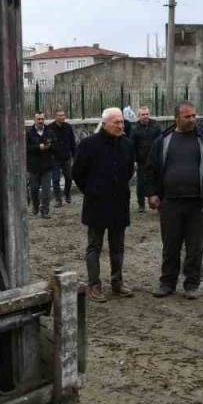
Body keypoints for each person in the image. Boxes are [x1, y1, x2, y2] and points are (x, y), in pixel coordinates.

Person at [143, 102, 203, 299]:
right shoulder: (163, 140)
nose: (192, 120)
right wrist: (152, 193)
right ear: (177, 118)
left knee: (195, 246)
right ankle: (167, 283)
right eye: (188, 117)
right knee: (170, 245)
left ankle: (191, 284)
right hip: (170, 203)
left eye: (194, 116)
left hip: (198, 204)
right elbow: (150, 170)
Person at [73, 107, 135, 302]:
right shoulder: (88, 145)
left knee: (118, 247)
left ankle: (117, 282)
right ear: (105, 123)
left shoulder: (127, 144)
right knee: (94, 247)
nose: (120, 125)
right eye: (116, 122)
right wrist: (92, 190)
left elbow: (129, 170)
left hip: (119, 202)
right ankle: (94, 285)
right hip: (96, 203)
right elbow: (78, 173)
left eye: (122, 122)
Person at [128, 106, 162, 212]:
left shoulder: (156, 126)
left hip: (156, 159)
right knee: (141, 183)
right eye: (143, 114)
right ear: (139, 116)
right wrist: (133, 161)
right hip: (142, 161)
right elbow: (131, 146)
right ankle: (141, 205)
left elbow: (161, 141)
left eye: (147, 114)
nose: (145, 116)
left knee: (158, 182)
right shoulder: (134, 129)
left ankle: (158, 204)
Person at [26, 112, 55, 218]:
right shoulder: (29, 133)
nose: (40, 121)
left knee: (46, 191)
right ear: (34, 120)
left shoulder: (49, 132)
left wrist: (50, 146)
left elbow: (55, 145)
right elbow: (26, 148)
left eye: (42, 119)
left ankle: (45, 211)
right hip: (34, 167)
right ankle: (36, 206)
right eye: (38, 119)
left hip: (47, 166)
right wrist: (39, 147)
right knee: (33, 190)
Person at [47, 109, 77, 206]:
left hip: (66, 158)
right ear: (55, 117)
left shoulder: (68, 127)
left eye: (63, 115)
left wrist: (74, 155)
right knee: (55, 180)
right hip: (54, 158)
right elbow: (47, 142)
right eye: (60, 115)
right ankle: (58, 199)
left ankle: (67, 193)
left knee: (69, 178)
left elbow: (72, 142)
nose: (62, 117)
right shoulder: (49, 128)